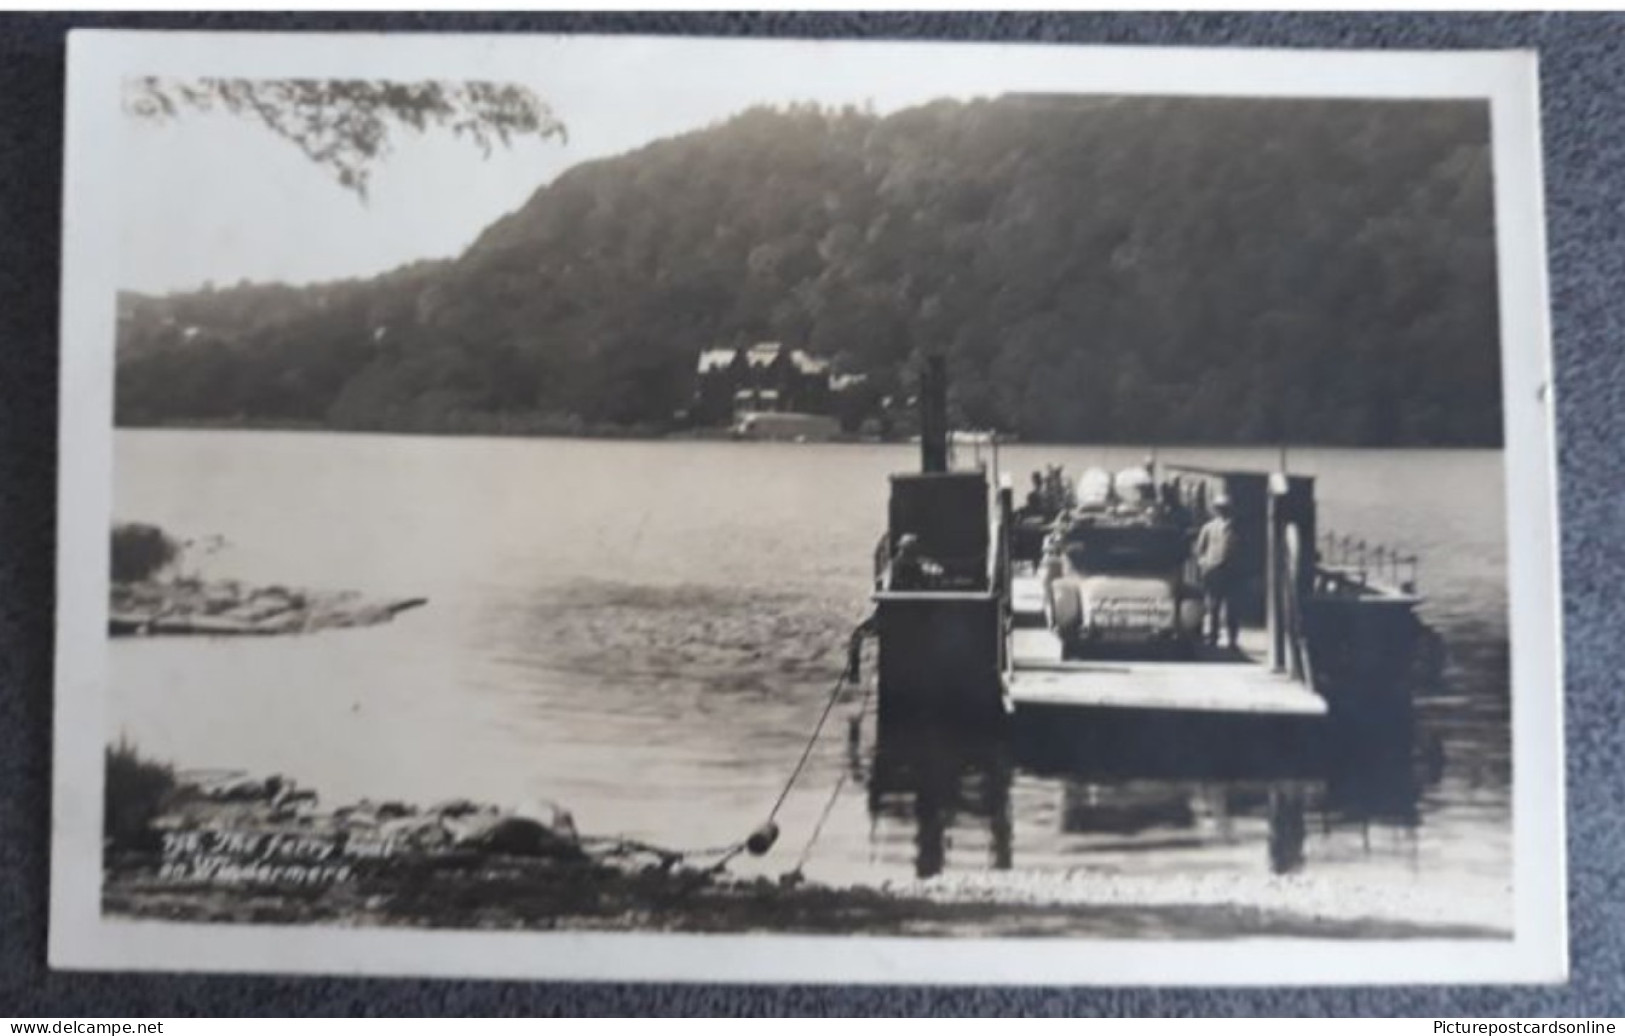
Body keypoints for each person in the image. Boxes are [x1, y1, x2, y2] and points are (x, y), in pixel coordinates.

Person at [1193, 494, 1241, 649]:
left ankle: (1232, 639)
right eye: (1219, 508)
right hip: (1213, 571)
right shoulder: (1208, 527)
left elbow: (1244, 549)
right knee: (1213, 606)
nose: (1222, 511)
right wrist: (1204, 564)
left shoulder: (1236, 527)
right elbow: (1199, 549)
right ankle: (1213, 637)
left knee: (1232, 607)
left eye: (1225, 508)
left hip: (1232, 571)